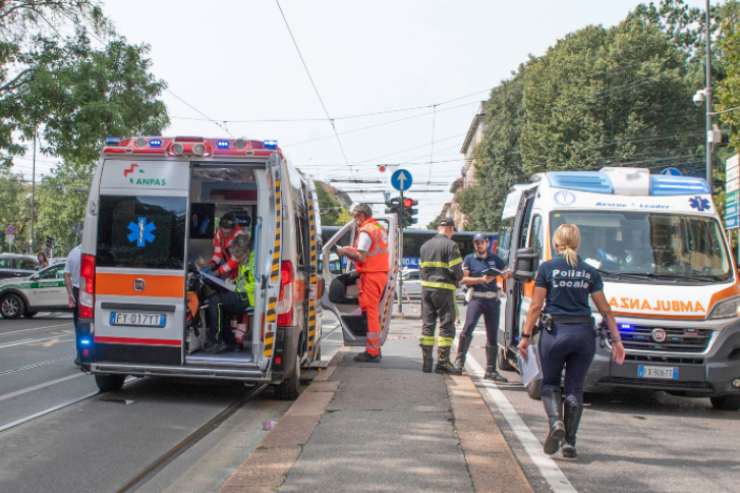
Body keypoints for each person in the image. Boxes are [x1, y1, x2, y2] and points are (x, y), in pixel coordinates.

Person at [518, 224, 625, 459]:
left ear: (556, 243)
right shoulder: (589, 272)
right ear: (577, 243)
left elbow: (536, 306)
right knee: (575, 387)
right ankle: (570, 443)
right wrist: (617, 341)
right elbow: (605, 309)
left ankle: (556, 423)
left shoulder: (547, 268)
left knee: (550, 384)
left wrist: (525, 336)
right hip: (583, 334)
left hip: (555, 332)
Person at [336, 204, 390, 363]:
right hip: (378, 274)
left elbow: (361, 257)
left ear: (361, 215)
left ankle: (372, 352)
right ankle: (375, 349)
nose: (355, 221)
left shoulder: (367, 231)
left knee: (370, 313)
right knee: (371, 312)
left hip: (371, 275)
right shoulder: (379, 228)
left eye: (355, 217)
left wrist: (345, 251)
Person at [454, 233, 511, 380]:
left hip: (492, 300)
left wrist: (506, 274)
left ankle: (491, 370)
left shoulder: (495, 259)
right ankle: (459, 362)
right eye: (476, 243)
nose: (479, 245)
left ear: (487, 243)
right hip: (477, 299)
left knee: (492, 334)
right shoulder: (469, 259)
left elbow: (505, 272)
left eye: (482, 242)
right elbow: (463, 279)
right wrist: (481, 279)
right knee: (468, 328)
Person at [419, 217, 464, 374]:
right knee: (446, 325)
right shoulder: (451, 245)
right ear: (450, 229)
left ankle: (426, 363)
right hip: (444, 290)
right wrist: (460, 277)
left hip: (426, 291)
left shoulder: (425, 246)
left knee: (428, 325)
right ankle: (443, 363)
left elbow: (422, 269)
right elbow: (457, 272)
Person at [205, 232, 255, 353]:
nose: (236, 258)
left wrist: (237, 288)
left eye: (237, 255)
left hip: (249, 297)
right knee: (222, 306)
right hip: (244, 294)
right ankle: (230, 342)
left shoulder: (254, 262)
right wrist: (233, 282)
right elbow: (244, 279)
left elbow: (255, 285)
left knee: (215, 301)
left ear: (245, 251)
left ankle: (216, 341)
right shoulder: (246, 260)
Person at [206, 211, 249, 279]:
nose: (225, 234)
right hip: (230, 269)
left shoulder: (240, 236)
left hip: (242, 269)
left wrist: (219, 271)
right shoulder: (219, 234)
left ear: (233, 229)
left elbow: (235, 260)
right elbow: (218, 253)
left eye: (228, 231)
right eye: (223, 230)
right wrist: (212, 263)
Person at [64, 244, 82, 365]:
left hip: (77, 290)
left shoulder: (73, 252)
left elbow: (66, 275)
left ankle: (80, 356)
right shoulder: (96, 250)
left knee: (79, 325)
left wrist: (70, 294)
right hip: (92, 290)